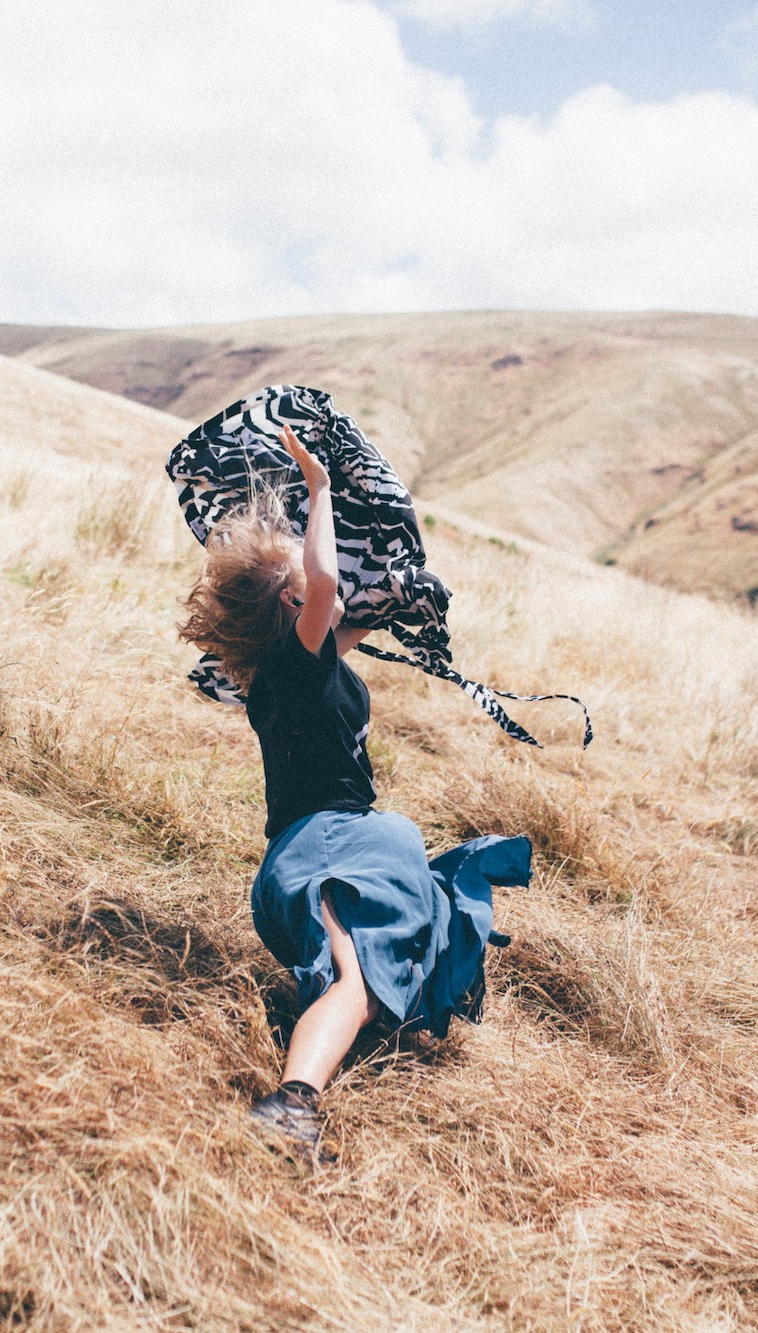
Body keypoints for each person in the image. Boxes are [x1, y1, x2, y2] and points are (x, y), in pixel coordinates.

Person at [178, 426, 525, 1158]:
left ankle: (315, 1068)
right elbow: (331, 589)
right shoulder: (291, 667)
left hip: (320, 850)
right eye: (309, 589)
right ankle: (292, 1102)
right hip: (330, 849)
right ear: (292, 604)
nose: (328, 596)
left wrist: (403, 595)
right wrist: (321, 489)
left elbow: (347, 614)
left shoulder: (297, 670)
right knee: (358, 981)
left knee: (361, 979)